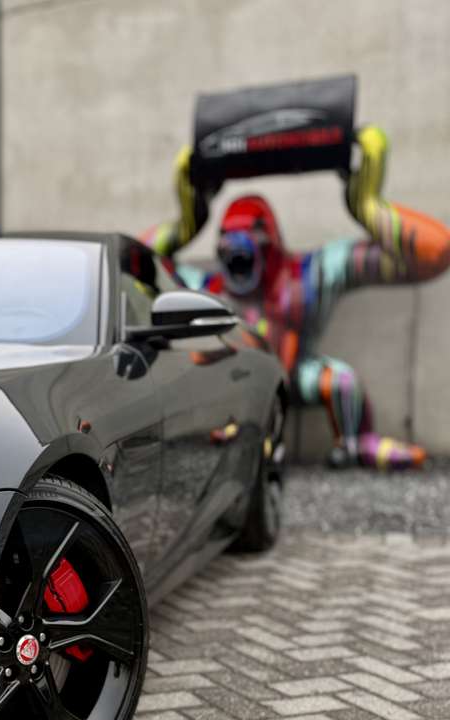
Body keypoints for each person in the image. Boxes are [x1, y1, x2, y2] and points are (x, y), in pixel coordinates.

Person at [144, 126, 450, 468]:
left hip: (294, 374)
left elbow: (435, 252)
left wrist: (366, 204)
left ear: (271, 241)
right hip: (229, 385)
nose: (238, 248)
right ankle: (223, 445)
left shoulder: (310, 275)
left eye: (252, 233)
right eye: (228, 236)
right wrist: (187, 219)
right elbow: (133, 263)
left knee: (341, 382)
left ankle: (356, 443)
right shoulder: (207, 286)